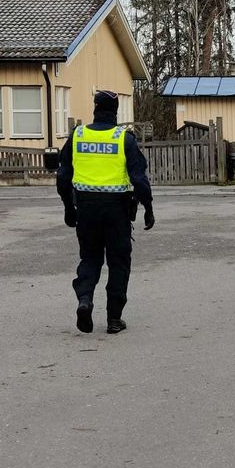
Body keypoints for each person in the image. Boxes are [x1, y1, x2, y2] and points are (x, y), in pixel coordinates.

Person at [56, 90, 154, 335]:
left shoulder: (77, 135)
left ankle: (85, 300)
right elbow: (139, 179)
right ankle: (113, 319)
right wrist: (148, 208)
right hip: (117, 211)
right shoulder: (124, 139)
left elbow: (63, 176)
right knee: (119, 263)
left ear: (95, 108)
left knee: (90, 258)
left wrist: (69, 207)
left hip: (86, 209)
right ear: (116, 110)